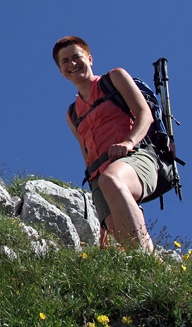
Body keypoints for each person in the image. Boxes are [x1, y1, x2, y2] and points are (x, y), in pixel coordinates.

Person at [53, 36, 158, 251]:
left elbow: (144, 115)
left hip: (135, 157)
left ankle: (144, 263)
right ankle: (154, 270)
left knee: (111, 179)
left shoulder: (114, 78)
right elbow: (87, 155)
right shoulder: (72, 114)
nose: (72, 64)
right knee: (116, 230)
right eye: (65, 61)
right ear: (61, 71)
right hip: (99, 178)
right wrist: (100, 209)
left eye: (76, 57)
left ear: (90, 59)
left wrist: (129, 142)